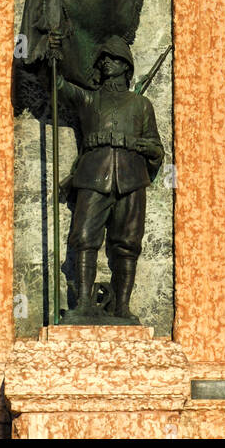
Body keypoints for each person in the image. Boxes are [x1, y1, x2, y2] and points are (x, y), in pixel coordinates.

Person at [55, 35, 164, 321]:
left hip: (131, 177)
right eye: (102, 58)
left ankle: (122, 307)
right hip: (93, 175)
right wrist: (53, 55)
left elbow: (157, 148)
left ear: (125, 66)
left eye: (112, 58)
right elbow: (57, 87)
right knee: (83, 238)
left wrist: (145, 147)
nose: (105, 63)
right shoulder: (89, 99)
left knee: (128, 243)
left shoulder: (141, 105)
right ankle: (82, 305)